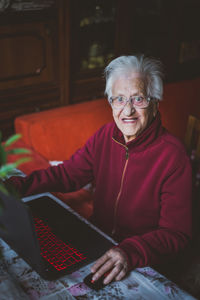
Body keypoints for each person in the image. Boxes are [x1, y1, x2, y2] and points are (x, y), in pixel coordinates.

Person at [7, 55, 192, 285]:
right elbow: (68, 174)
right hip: (98, 242)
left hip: (143, 259)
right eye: (119, 99)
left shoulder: (174, 156)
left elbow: (176, 233)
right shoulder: (105, 136)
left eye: (138, 99)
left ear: (155, 102)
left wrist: (130, 251)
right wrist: (15, 186)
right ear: (110, 102)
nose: (128, 110)